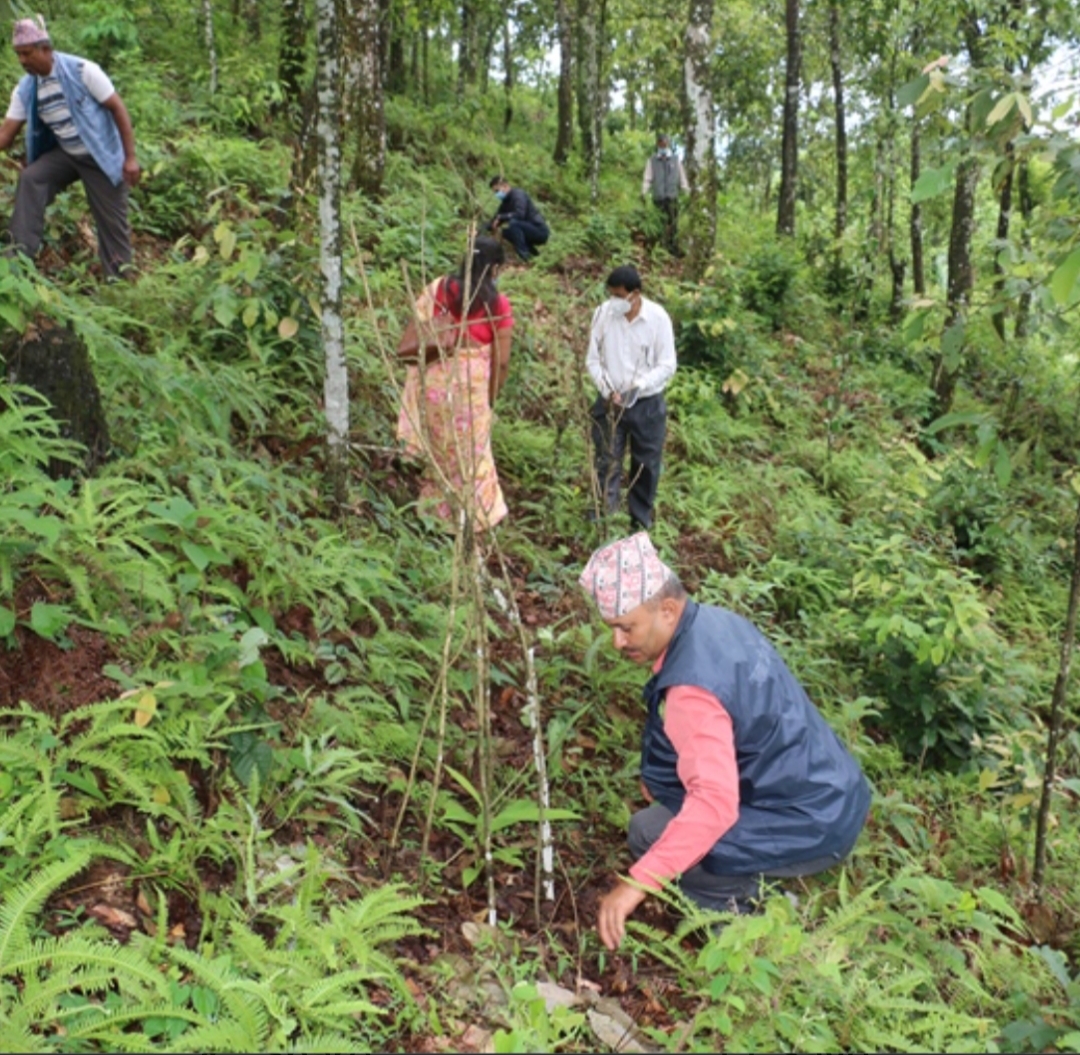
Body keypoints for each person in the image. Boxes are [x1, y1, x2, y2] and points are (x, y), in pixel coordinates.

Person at [578, 533, 871, 952]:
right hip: (832, 793)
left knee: (649, 835)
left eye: (626, 628)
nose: (617, 642)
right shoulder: (715, 623)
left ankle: (742, 930)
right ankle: (759, 887)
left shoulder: (692, 692)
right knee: (663, 822)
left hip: (813, 821)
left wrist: (636, 884)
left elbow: (714, 805)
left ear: (666, 610)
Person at [0, 16, 139, 278]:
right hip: (66, 153)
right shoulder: (26, 88)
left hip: (99, 155)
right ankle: (14, 266)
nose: (22, 61)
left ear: (46, 49)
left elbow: (118, 108)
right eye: (18, 54)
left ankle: (120, 283)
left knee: (111, 224)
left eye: (27, 53)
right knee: (31, 179)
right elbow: (6, 135)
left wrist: (130, 158)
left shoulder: (82, 71)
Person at [396, 236, 513, 532]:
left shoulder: (438, 288)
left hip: (434, 386)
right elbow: (501, 361)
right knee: (474, 459)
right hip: (470, 396)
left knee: (440, 452)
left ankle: (435, 518)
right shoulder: (497, 304)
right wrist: (491, 398)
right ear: (495, 269)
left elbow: (418, 332)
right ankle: (471, 521)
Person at [585, 265, 676, 530]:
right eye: (611, 294)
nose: (614, 301)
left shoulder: (658, 319)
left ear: (635, 294)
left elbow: (667, 364)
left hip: (646, 404)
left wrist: (637, 386)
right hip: (609, 402)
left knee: (645, 465)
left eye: (619, 296)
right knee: (606, 461)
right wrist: (607, 389)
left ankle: (639, 523)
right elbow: (593, 359)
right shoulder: (602, 315)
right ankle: (603, 520)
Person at [642, 134, 688, 257]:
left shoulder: (675, 160)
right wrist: (644, 192)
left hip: (672, 197)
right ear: (658, 145)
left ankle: (672, 249)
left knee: (673, 225)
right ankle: (658, 249)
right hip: (658, 198)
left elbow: (682, 178)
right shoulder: (652, 161)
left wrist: (686, 191)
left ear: (668, 145)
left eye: (665, 144)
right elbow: (647, 178)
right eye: (661, 144)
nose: (663, 146)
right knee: (658, 225)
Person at [487, 176, 549, 263]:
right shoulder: (506, 202)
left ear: (505, 186)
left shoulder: (518, 195)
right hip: (526, 230)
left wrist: (501, 217)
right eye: (495, 192)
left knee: (514, 224)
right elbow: (496, 218)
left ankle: (524, 255)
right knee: (506, 232)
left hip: (539, 230)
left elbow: (520, 214)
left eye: (497, 191)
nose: (497, 194)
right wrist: (482, 228)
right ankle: (534, 256)